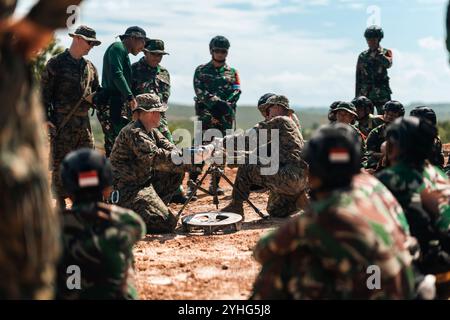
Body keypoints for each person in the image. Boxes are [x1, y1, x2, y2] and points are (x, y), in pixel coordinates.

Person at [251, 124, 416, 299]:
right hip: (402, 288)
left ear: (313, 173)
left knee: (281, 264)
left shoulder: (327, 213)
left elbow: (262, 251)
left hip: (374, 291)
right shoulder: (373, 185)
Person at [0, 0, 83, 300]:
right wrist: (40, 23)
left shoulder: (87, 68)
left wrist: (38, 23)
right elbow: (46, 92)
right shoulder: (55, 64)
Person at [109, 93, 206, 233]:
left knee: (175, 172)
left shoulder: (151, 131)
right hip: (126, 189)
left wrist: (196, 153)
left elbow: (172, 151)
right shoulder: (135, 133)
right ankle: (126, 214)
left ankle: (152, 206)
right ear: (150, 113)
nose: (161, 115)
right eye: (159, 112)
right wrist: (194, 159)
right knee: (167, 224)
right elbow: (158, 158)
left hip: (142, 182)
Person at [57, 148, 145, 300]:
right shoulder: (127, 222)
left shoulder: (51, 226)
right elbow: (138, 228)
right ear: (107, 188)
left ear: (67, 188)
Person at [377, 117, 450, 298]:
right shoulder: (438, 175)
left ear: (394, 147)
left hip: (411, 270)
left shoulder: (389, 179)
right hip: (443, 266)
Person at [41, 25, 101, 210]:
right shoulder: (55, 64)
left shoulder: (90, 68)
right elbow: (42, 94)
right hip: (62, 124)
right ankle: (60, 203)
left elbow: (97, 93)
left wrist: (96, 99)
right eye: (89, 42)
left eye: (93, 43)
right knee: (61, 163)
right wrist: (45, 119)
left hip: (84, 125)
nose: (91, 46)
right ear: (77, 39)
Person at [220, 95, 308, 218]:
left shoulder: (281, 121)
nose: (266, 114)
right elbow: (264, 151)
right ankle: (300, 200)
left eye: (268, 110)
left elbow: (249, 140)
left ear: (276, 107)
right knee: (275, 210)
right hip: (301, 180)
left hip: (290, 176)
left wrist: (221, 142)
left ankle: (236, 206)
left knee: (247, 162)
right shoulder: (291, 125)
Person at [131, 39, 188, 204]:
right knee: (145, 156)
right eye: (154, 54)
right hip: (139, 122)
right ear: (145, 52)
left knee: (172, 152)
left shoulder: (164, 72)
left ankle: (175, 190)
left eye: (160, 55)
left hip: (159, 121)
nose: (157, 58)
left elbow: (165, 98)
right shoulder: (134, 70)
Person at [188, 35, 241, 197]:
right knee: (200, 148)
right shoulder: (201, 70)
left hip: (225, 118)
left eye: (223, 51)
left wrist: (225, 106)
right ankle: (192, 184)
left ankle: (215, 184)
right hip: (206, 117)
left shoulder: (233, 72)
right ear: (211, 51)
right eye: (217, 50)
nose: (220, 54)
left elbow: (237, 90)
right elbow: (199, 90)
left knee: (221, 149)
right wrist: (216, 104)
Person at [97, 26, 148, 156]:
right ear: (133, 38)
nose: (143, 47)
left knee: (120, 145)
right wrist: (130, 97)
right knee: (115, 146)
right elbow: (117, 74)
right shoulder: (118, 48)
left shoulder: (122, 52)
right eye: (142, 42)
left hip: (117, 103)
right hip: (111, 103)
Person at [356, 25, 393, 115]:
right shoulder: (362, 56)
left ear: (379, 39)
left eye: (373, 39)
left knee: (385, 118)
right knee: (366, 119)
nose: (370, 42)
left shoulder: (386, 52)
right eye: (368, 39)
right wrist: (357, 97)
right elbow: (358, 77)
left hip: (382, 93)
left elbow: (388, 64)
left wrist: (378, 54)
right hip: (366, 94)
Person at [366, 100, 404, 170]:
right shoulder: (375, 132)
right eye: (387, 113)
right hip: (378, 166)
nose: (389, 117)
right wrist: (385, 156)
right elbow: (369, 153)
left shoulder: (404, 133)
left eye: (393, 115)